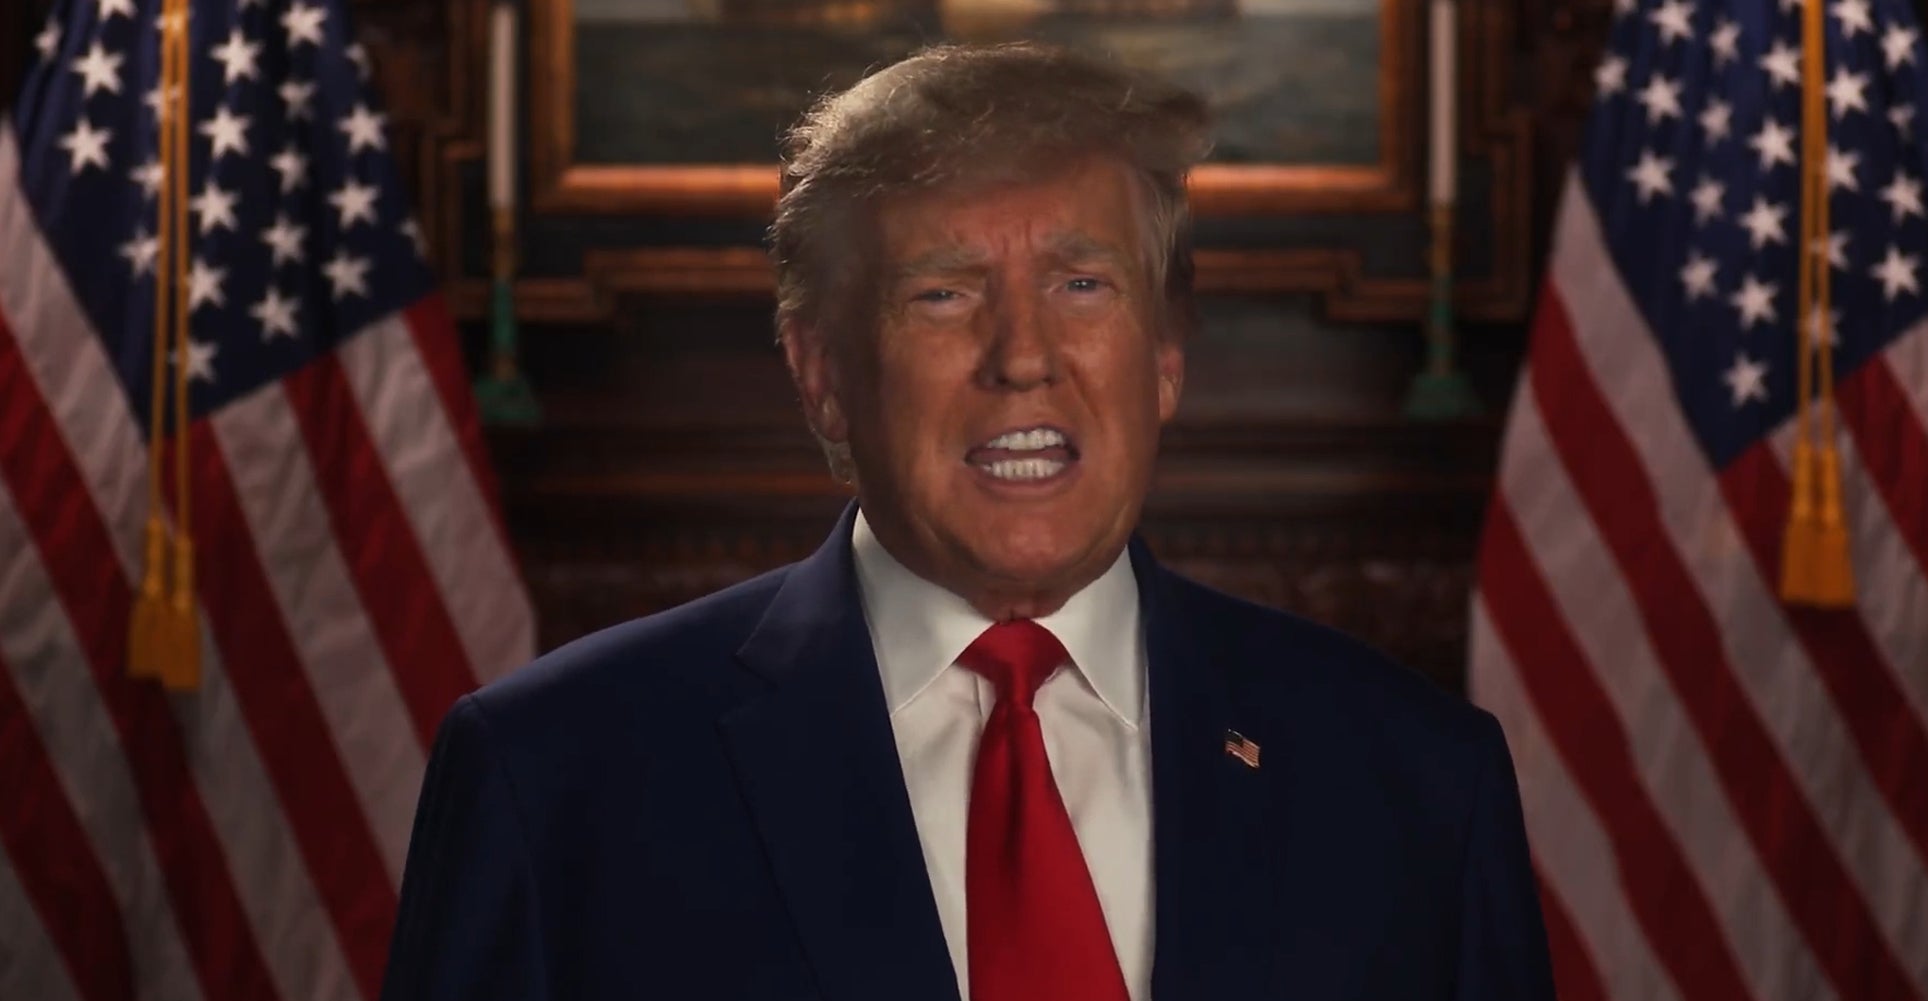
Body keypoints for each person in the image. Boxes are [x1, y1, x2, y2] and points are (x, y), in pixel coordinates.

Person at [380, 42, 1554, 1001]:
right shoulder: (556, 779)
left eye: (1081, 284)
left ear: (1163, 358)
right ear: (822, 373)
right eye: (941, 292)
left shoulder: (1411, 781)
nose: (1024, 356)